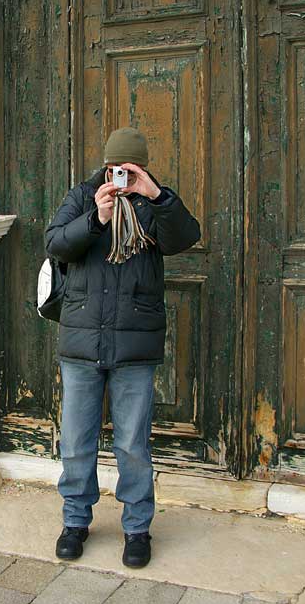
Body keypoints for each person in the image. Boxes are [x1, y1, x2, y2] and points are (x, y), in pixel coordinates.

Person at [44, 127, 202, 568]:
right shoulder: (84, 196)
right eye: (117, 168)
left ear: (142, 166)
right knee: (76, 440)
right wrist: (95, 218)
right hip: (82, 340)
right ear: (105, 164)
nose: (121, 176)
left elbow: (185, 237)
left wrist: (156, 195)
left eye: (130, 169)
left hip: (134, 344)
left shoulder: (155, 204)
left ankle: (137, 528)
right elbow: (55, 242)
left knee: (133, 443)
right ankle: (75, 521)